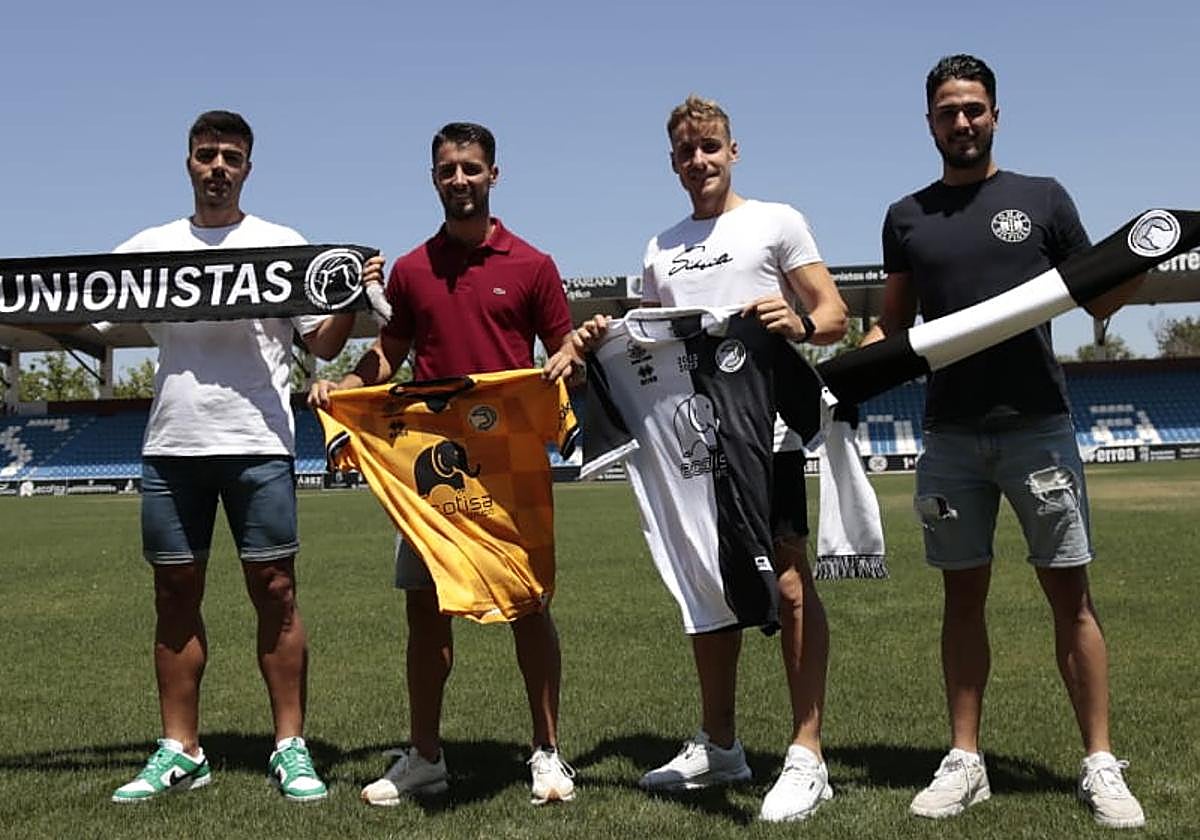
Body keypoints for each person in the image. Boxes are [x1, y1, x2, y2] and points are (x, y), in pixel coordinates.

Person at [862, 54, 1145, 829]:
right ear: (929, 122)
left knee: (1071, 597)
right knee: (962, 599)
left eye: (975, 109)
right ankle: (965, 759)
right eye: (948, 110)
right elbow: (893, 324)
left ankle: (1099, 763)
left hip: (1039, 429)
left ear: (995, 114)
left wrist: (1138, 261)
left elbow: (1098, 293)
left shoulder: (1042, 198)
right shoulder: (906, 215)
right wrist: (844, 364)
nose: (962, 122)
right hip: (950, 434)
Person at [557, 94, 849, 823]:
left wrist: (801, 321)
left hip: (766, 429)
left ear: (734, 150)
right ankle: (721, 745)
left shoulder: (776, 221)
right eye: (687, 153)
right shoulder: (661, 246)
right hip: (689, 443)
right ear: (673, 162)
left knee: (786, 579)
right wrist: (602, 332)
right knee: (703, 578)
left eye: (711, 148)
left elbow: (835, 314)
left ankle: (807, 754)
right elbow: (651, 341)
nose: (700, 162)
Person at [110, 110, 383, 804]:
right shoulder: (149, 246)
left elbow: (322, 345)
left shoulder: (280, 245)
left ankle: (289, 746)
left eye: (231, 155)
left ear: (248, 167)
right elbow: (95, 312)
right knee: (173, 595)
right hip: (173, 444)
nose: (218, 166)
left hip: (260, 441)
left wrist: (347, 291)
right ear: (189, 163)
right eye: (207, 154)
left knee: (278, 594)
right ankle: (181, 749)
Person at [308, 122, 578, 807]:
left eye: (471, 168)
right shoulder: (410, 269)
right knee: (424, 613)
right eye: (447, 169)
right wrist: (346, 386)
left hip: (509, 465)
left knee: (529, 608)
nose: (459, 179)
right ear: (434, 178)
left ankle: (547, 753)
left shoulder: (533, 265)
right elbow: (387, 355)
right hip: (429, 470)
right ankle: (425, 755)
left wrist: (569, 358)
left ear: (494, 175)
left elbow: (563, 347)